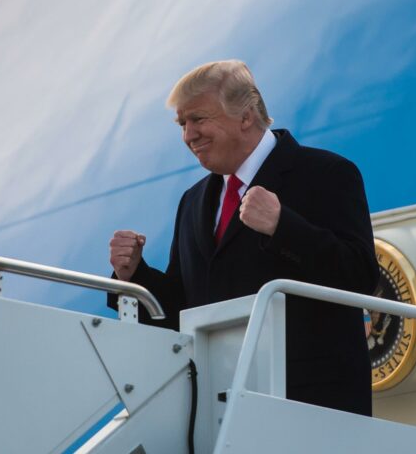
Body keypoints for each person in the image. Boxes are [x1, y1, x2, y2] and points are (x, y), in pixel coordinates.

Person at [108, 59, 378, 415]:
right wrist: (134, 277)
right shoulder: (193, 202)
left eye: (199, 119)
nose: (189, 135)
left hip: (311, 411)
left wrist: (283, 227)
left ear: (246, 117)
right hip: (219, 409)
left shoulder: (327, 173)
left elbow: (361, 279)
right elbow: (184, 311)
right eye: (182, 123)